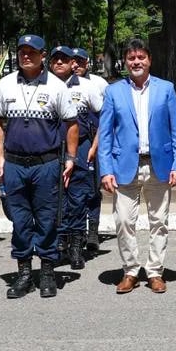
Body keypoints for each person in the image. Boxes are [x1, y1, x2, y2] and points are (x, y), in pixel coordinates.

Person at [0, 35, 77, 299]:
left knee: (47, 219)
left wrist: (71, 159)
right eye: (22, 51)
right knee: (20, 220)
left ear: (43, 55)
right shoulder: (5, 84)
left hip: (46, 164)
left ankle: (47, 272)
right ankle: (25, 273)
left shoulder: (57, 86)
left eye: (32, 52)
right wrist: (0, 158)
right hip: (15, 164)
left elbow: (72, 123)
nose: (26, 55)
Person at [98, 37, 176, 295]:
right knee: (124, 221)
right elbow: (105, 134)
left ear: (149, 60)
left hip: (159, 165)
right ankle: (130, 271)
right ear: (125, 62)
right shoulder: (114, 91)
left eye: (141, 57)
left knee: (159, 221)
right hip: (124, 166)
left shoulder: (166, 89)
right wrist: (105, 169)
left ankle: (155, 272)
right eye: (131, 58)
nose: (136, 62)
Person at [47, 45, 102, 270]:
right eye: (55, 59)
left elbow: (104, 117)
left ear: (73, 63)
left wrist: (95, 147)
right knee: (55, 198)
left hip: (81, 147)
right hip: (51, 150)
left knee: (78, 199)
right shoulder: (44, 86)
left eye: (64, 59)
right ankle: (59, 242)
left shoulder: (88, 87)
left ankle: (77, 247)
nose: (59, 62)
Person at [71, 48, 108, 252]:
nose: (76, 65)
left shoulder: (98, 83)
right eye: (72, 61)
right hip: (72, 143)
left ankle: (93, 230)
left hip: (94, 141)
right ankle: (75, 232)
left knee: (93, 188)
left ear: (87, 62)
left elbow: (106, 114)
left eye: (79, 61)